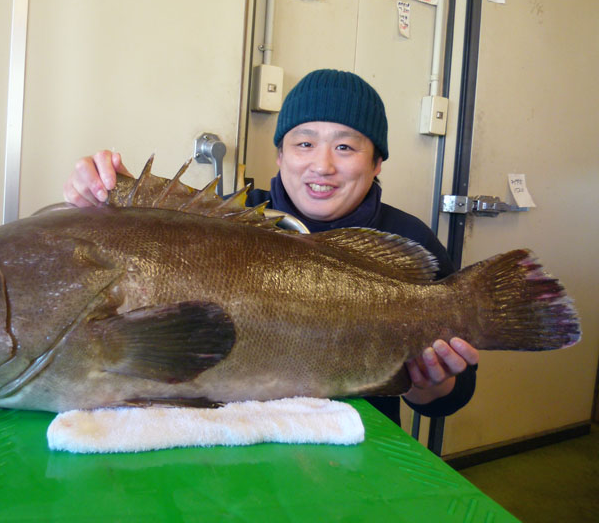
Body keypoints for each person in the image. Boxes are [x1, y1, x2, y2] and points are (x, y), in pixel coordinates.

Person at [63, 69, 478, 426]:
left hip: (359, 452)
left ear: (377, 162)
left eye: (345, 147)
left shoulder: (408, 239)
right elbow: (155, 245)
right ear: (280, 155)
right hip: (233, 443)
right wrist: (105, 197)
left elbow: (449, 399)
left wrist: (429, 384)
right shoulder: (225, 219)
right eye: (304, 144)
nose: (322, 165)